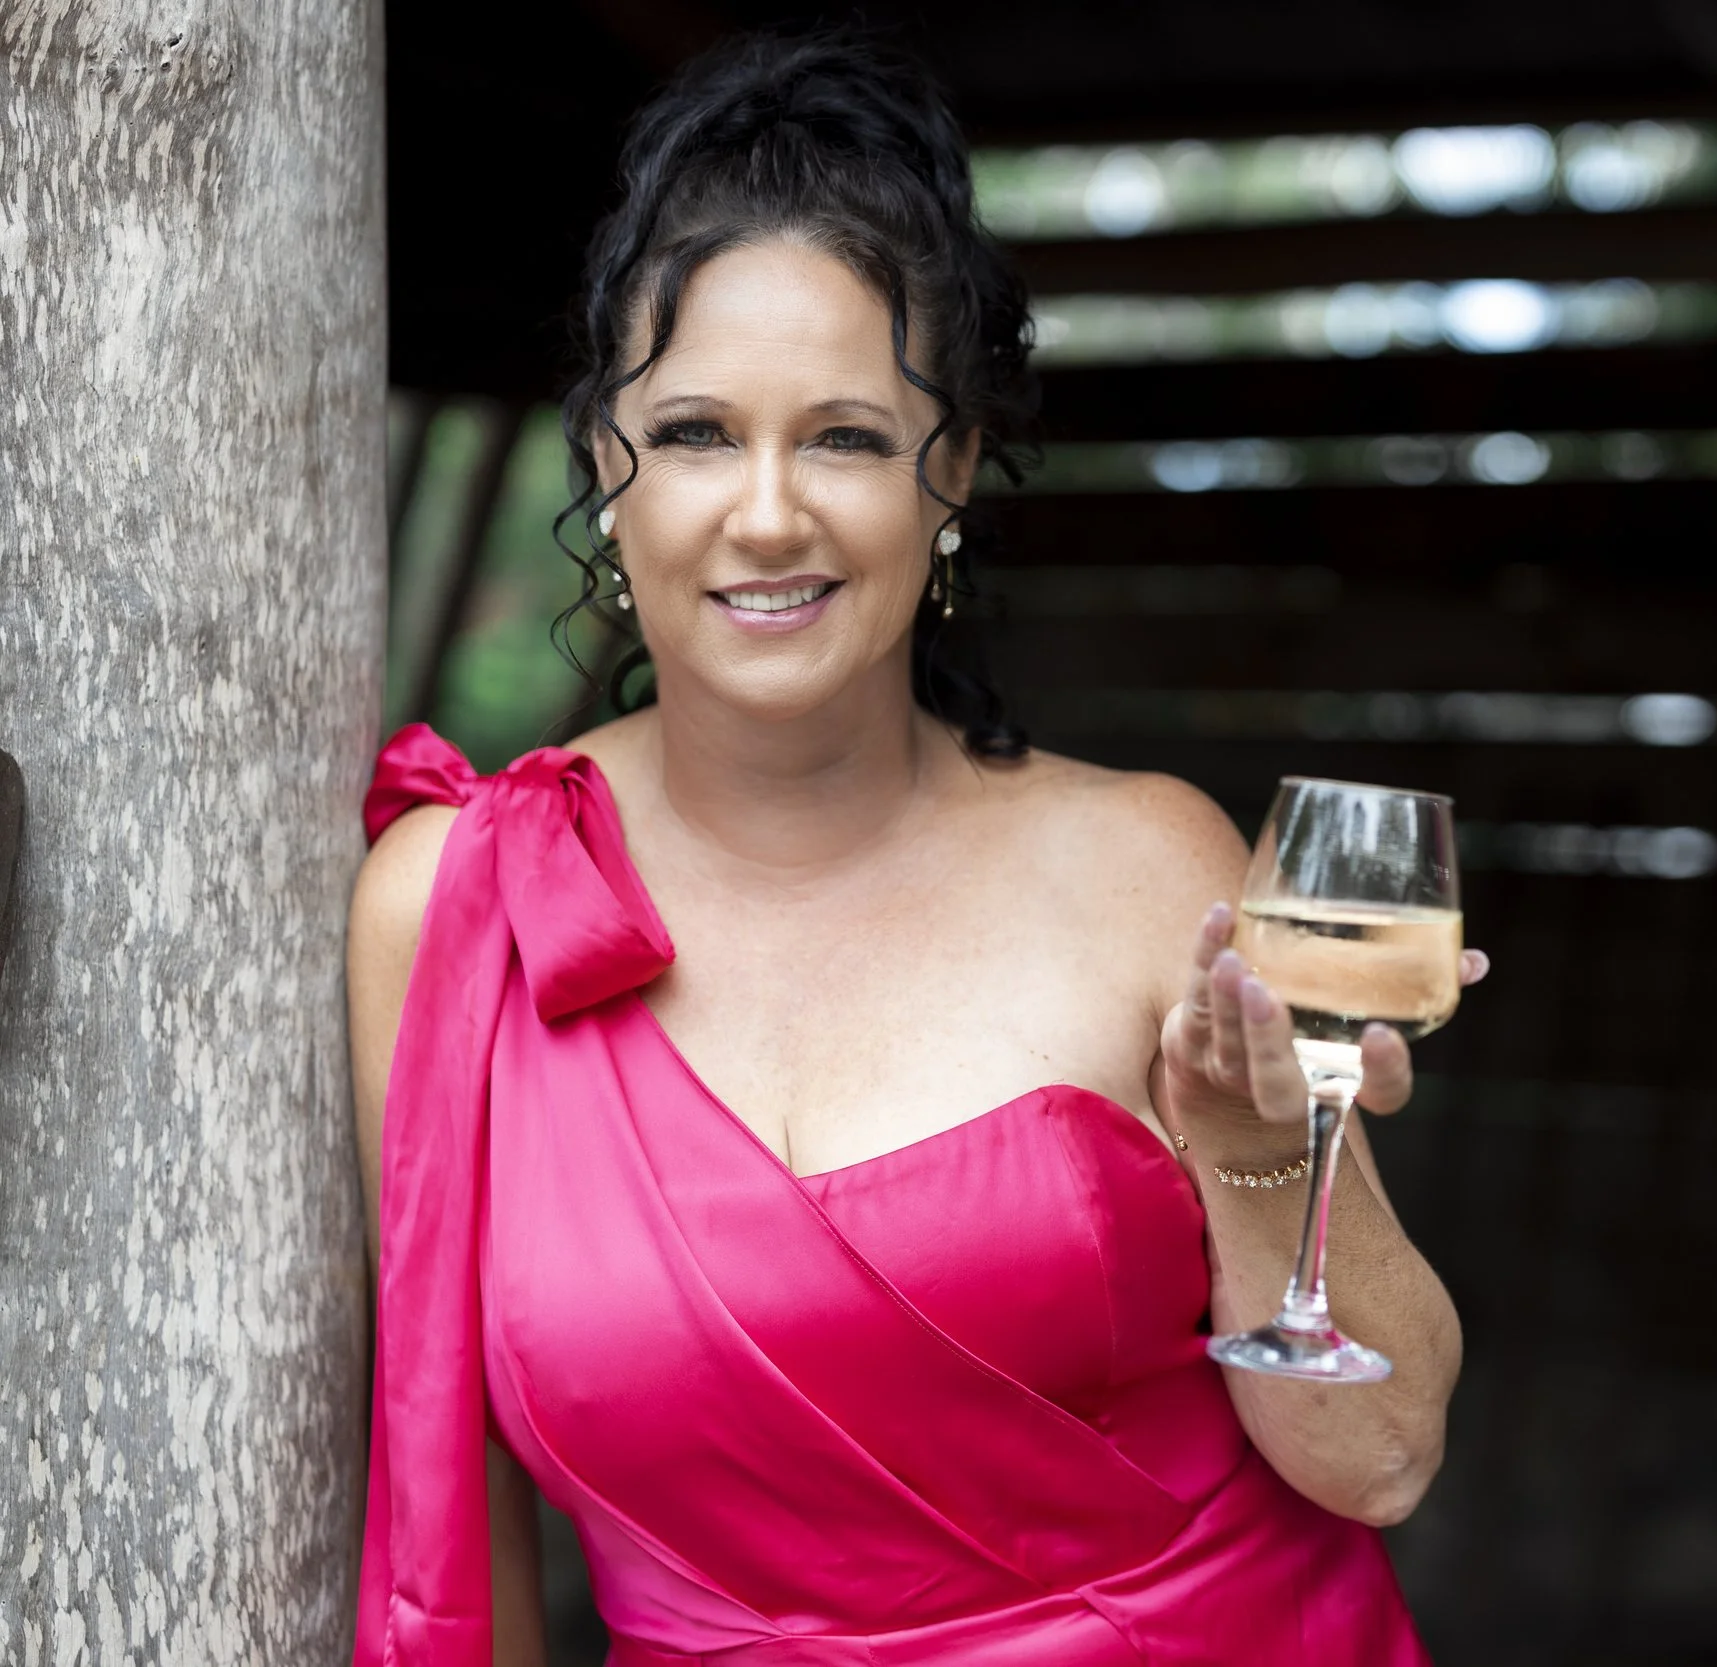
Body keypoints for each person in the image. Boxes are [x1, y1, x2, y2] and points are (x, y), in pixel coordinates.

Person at [347, 30, 1481, 1665]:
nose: (766, 512)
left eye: (847, 438)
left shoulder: (1149, 862)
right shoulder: (454, 906)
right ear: (607, 463)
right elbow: (455, 1524)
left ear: (947, 473)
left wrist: (1248, 1145)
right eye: (693, 433)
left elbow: (1380, 1461)